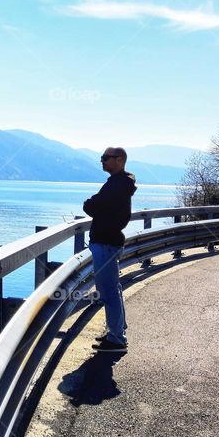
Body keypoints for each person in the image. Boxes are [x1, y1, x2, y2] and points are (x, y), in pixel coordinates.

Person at [83, 147, 137, 353]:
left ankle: (116, 339)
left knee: (108, 291)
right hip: (110, 241)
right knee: (113, 288)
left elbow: (91, 206)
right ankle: (117, 331)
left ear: (119, 160)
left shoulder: (117, 185)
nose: (102, 162)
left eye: (106, 158)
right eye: (102, 158)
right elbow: (97, 205)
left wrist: (92, 203)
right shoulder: (120, 184)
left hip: (105, 242)